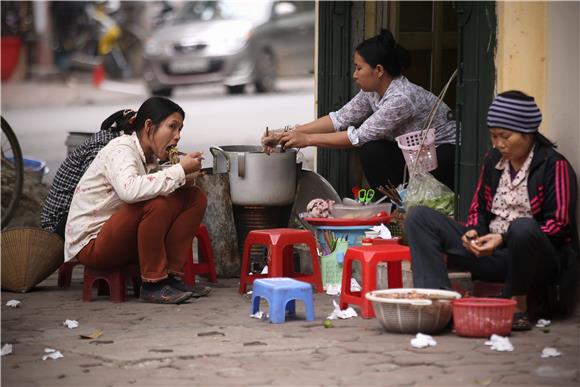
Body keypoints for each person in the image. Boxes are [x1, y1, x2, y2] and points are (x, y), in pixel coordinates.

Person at [405, 91, 579, 330]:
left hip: (534, 261)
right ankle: (438, 304)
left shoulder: (553, 165)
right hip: (490, 255)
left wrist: (503, 238)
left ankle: (516, 305)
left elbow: (559, 225)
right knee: (419, 217)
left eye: (505, 136)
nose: (498, 143)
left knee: (523, 228)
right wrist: (474, 232)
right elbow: (479, 207)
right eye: (494, 136)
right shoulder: (493, 160)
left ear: (527, 133)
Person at [261, 29, 456, 191]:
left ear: (378, 70)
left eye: (359, 68)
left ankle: (403, 210)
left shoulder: (400, 98)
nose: (355, 75)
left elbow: (357, 137)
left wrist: (307, 140)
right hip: (413, 152)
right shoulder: (373, 91)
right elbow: (339, 118)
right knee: (373, 150)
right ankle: (396, 206)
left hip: (442, 153)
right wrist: (287, 133)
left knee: (370, 148)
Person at [64, 97, 208, 304]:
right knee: (155, 204)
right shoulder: (122, 149)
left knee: (193, 198)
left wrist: (185, 178)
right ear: (149, 126)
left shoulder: (150, 158)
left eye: (180, 129)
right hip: (93, 245)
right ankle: (153, 284)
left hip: (120, 237)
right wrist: (179, 170)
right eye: (172, 127)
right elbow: (130, 191)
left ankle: (170, 275)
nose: (177, 137)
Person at [41, 110, 131, 238]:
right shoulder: (103, 145)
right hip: (60, 222)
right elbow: (96, 190)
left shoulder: (112, 141)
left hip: (75, 214)